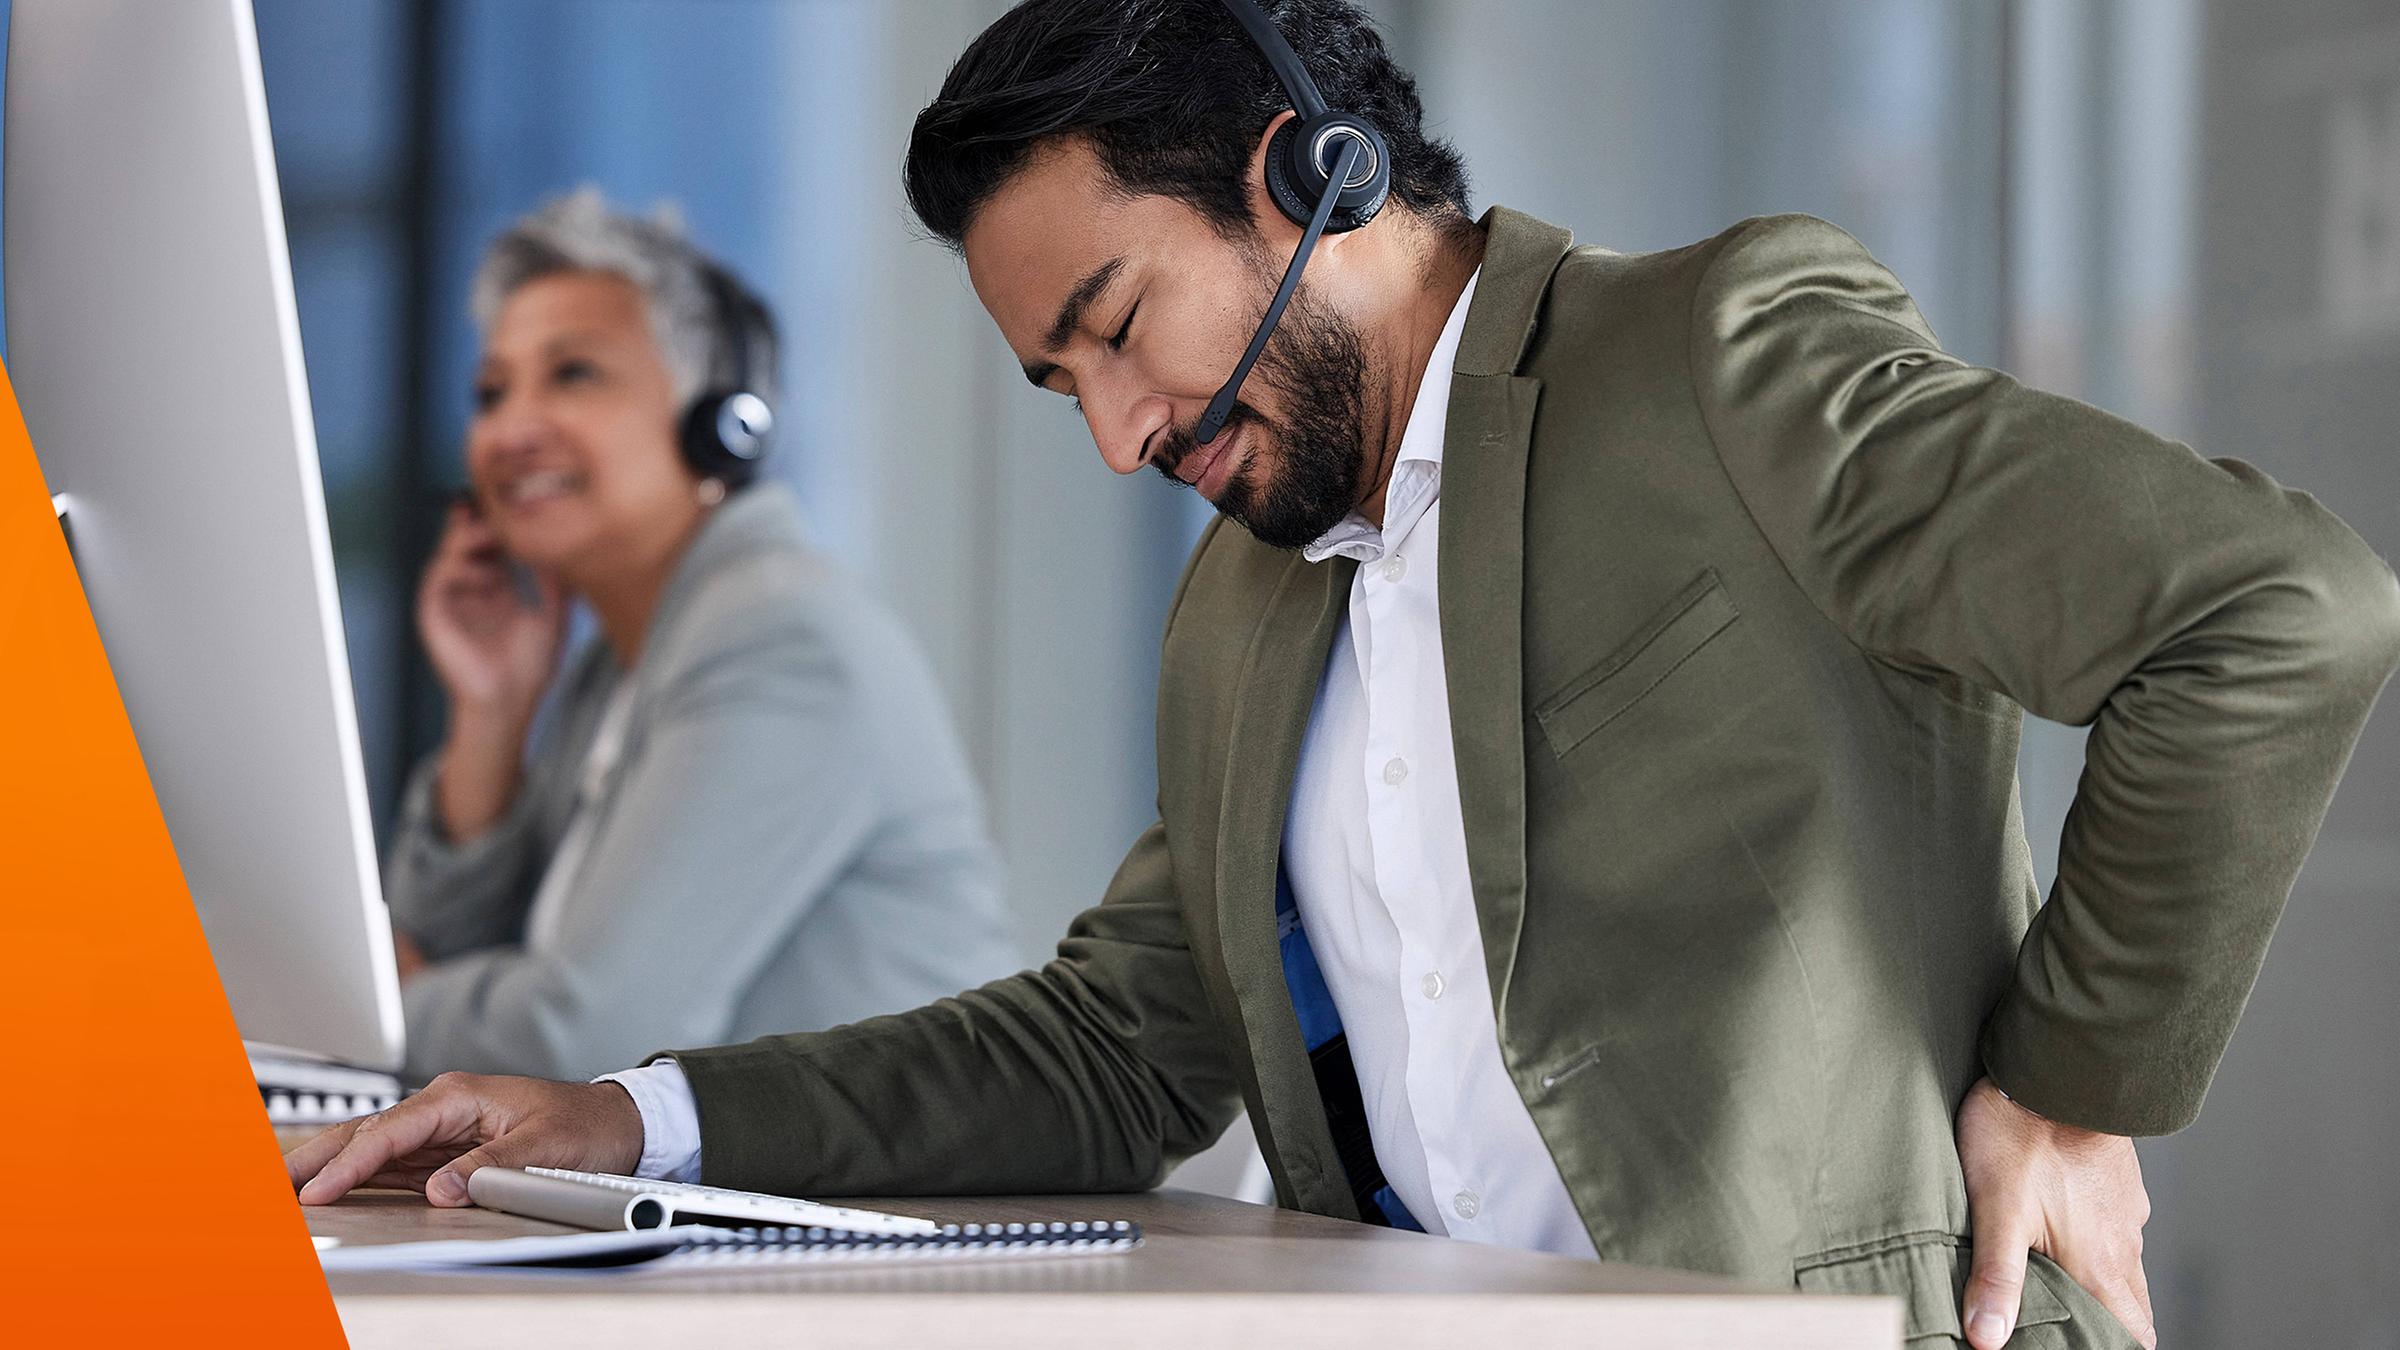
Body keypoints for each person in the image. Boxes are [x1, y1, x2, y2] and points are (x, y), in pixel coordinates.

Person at [289, 6, 2400, 1347]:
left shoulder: (1714, 360)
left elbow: (2269, 611)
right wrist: (629, 1115)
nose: (1116, 436)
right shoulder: (1249, 600)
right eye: (1059, 387)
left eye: (1119, 328)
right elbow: (1121, 1048)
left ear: (1316, 176)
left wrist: (2074, 1078)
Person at [381, 189, 1017, 1082]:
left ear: (722, 428)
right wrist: (489, 719)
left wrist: (375, 999)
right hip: (745, 1206)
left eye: (573, 374)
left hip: (882, 1213)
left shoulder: (782, 643)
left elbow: (580, 1045)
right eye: (491, 390)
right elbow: (465, 969)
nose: (511, 430)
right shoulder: (618, 664)